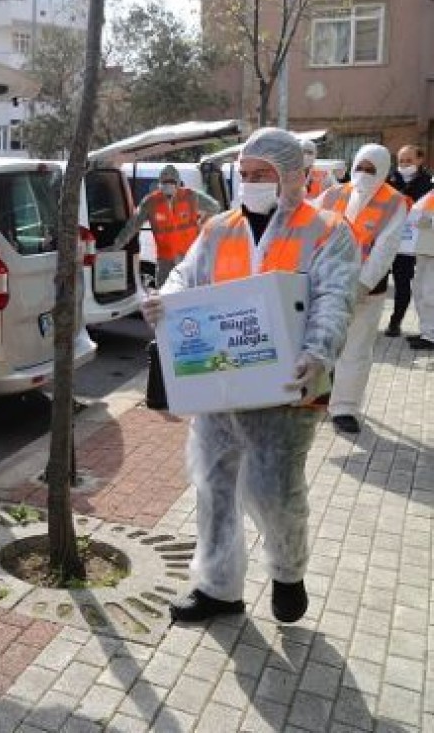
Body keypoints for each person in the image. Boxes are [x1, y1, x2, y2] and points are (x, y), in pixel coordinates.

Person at [142, 127, 360, 625]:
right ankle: (219, 588)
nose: (252, 183)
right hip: (221, 383)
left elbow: (335, 297)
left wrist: (319, 353)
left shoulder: (325, 229)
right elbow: (186, 276)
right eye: (245, 175)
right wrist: (165, 302)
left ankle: (288, 573)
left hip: (287, 386)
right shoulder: (218, 227)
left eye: (262, 174)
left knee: (275, 491)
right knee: (214, 487)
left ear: (290, 176)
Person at [314, 144, 410, 434]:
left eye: (371, 170)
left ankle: (344, 407)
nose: (364, 174)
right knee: (320, 345)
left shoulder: (394, 202)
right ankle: (319, 397)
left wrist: (360, 285)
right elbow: (309, 231)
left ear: (382, 170)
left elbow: (385, 249)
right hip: (326, 285)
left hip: (365, 291)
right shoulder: (332, 195)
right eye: (360, 167)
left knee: (355, 350)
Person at [111, 164, 221, 289]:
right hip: (165, 259)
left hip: (189, 256)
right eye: (165, 182)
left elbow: (215, 207)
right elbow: (133, 225)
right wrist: (117, 245)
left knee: (191, 291)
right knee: (164, 293)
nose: (168, 185)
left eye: (171, 182)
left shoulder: (191, 196)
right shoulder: (150, 202)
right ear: (160, 183)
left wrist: (202, 222)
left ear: (178, 182)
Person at [385, 144, 431, 337]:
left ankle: (395, 322)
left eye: (409, 161)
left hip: (409, 243)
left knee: (403, 284)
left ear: (420, 160)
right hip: (385, 239)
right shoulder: (389, 180)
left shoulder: (428, 183)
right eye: (401, 161)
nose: (404, 164)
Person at [407, 189, 434, 351]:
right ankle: (425, 330)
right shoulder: (431, 193)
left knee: (430, 294)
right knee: (419, 292)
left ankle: (431, 335)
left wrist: (430, 222)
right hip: (424, 248)